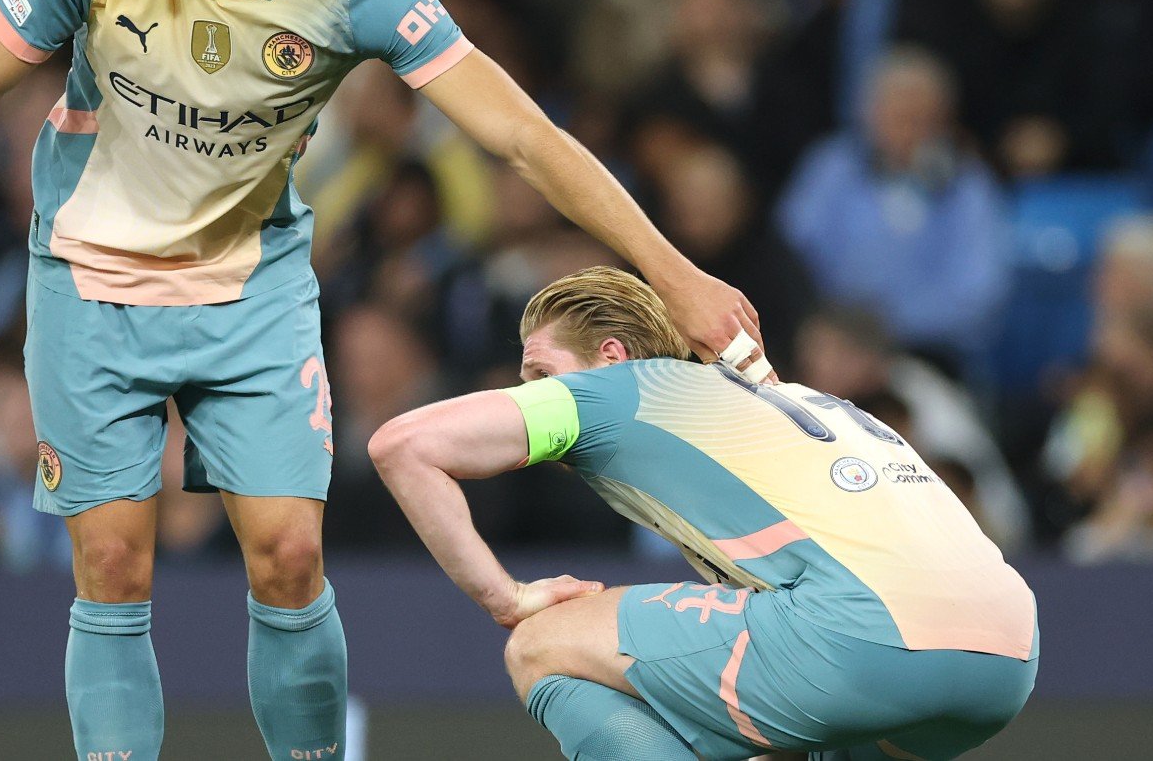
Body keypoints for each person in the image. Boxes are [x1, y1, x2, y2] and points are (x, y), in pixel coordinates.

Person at [0, 0, 768, 760]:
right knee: (110, 560)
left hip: (248, 288)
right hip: (89, 282)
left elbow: (523, 135)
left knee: (286, 552)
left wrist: (677, 271)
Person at [370, 267, 1037, 760]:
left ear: (610, 355)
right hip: (1007, 657)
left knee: (543, 646)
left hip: (864, 639)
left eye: (538, 373)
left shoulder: (614, 391)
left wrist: (507, 595)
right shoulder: (806, 402)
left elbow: (403, 446)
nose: (528, 396)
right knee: (814, 736)